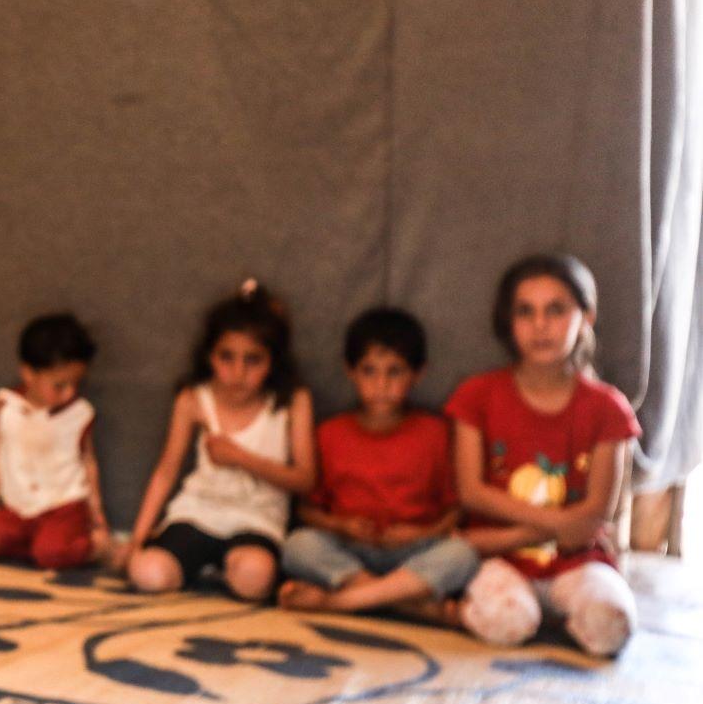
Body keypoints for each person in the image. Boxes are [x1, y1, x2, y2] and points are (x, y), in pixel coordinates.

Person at [444, 253, 641, 656]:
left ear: (585, 317)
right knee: (507, 621)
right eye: (525, 312)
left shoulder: (608, 408)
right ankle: (449, 610)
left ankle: (559, 612)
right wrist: (553, 527)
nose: (540, 325)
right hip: (498, 553)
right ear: (508, 321)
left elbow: (594, 515)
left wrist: (571, 530)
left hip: (578, 559)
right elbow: (472, 492)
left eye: (556, 310)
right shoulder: (477, 395)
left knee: (610, 628)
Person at [118, 280, 315, 601]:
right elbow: (166, 471)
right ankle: (196, 563)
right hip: (198, 513)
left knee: (254, 578)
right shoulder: (195, 398)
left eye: (253, 360)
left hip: (257, 520)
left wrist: (242, 458)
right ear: (209, 355)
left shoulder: (292, 400)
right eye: (227, 358)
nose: (238, 373)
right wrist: (138, 539)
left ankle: (223, 569)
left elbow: (306, 480)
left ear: (273, 361)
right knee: (146, 573)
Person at [277, 307, 478, 620]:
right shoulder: (330, 434)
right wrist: (341, 526)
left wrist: (420, 534)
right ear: (350, 371)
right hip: (350, 552)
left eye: (394, 372)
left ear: (417, 374)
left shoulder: (435, 433)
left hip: (414, 553)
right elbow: (306, 510)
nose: (381, 385)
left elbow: (456, 510)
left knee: (463, 554)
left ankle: (338, 603)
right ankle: (409, 605)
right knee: (297, 546)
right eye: (369, 371)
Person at [0, 313, 112, 569]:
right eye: (59, 385)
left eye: (76, 383)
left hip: (63, 504)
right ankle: (41, 543)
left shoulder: (79, 414)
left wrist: (97, 516)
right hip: (18, 505)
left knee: (52, 554)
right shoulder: (6, 405)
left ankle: (91, 545)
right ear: (28, 374)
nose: (70, 392)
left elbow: (88, 463)